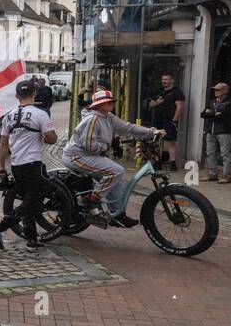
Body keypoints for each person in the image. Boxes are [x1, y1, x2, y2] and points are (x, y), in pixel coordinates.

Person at [62, 88, 162, 227]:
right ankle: (91, 200)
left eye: (111, 101)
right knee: (116, 171)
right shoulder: (93, 119)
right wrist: (107, 147)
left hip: (91, 156)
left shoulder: (108, 117)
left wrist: (152, 132)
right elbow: (88, 144)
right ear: (97, 105)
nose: (110, 104)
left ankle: (118, 214)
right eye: (106, 102)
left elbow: (129, 128)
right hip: (76, 156)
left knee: (117, 180)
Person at [0, 80, 59, 252]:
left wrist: (1, 166)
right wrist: (47, 135)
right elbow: (52, 138)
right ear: (34, 94)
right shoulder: (40, 114)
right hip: (32, 163)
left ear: (17, 96)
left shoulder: (8, 116)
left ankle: (31, 238)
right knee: (31, 201)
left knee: (28, 198)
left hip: (16, 165)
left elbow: (3, 144)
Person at [146, 72, 185, 169]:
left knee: (170, 141)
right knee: (158, 141)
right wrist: (157, 102)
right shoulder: (158, 91)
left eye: (166, 79)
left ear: (172, 80)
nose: (164, 81)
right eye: (163, 79)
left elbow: (179, 106)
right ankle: (158, 162)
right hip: (157, 120)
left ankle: (173, 163)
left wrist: (174, 121)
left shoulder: (177, 92)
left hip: (169, 120)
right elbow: (150, 105)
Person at [202, 81, 231, 183]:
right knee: (210, 152)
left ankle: (226, 176)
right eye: (215, 89)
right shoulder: (212, 101)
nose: (215, 91)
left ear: (225, 91)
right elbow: (203, 114)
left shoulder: (229, 102)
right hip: (210, 130)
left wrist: (211, 113)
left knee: (225, 154)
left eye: (218, 89)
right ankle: (212, 174)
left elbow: (223, 117)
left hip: (224, 131)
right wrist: (215, 113)